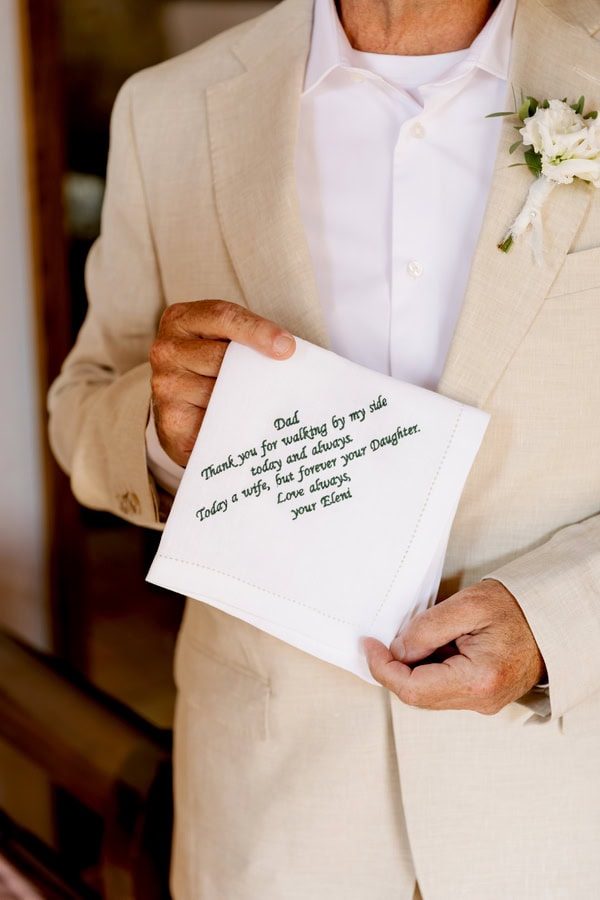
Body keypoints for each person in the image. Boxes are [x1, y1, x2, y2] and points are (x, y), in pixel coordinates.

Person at [48, 0, 600, 896]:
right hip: (272, 827)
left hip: (567, 812)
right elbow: (83, 404)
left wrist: (559, 624)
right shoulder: (167, 108)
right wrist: (163, 434)